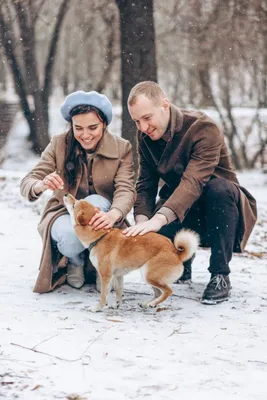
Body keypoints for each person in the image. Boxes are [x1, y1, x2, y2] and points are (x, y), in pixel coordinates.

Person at [123, 81, 257, 305]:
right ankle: (181, 260)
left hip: (220, 210)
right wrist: (142, 220)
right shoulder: (145, 137)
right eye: (137, 121)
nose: (143, 127)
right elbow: (145, 183)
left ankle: (220, 275)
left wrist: (158, 219)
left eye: (147, 118)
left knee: (219, 189)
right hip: (181, 208)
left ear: (165, 105)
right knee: (160, 215)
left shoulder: (203, 128)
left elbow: (193, 182)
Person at [20, 90, 136, 293]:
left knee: (95, 201)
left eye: (93, 127)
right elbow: (29, 181)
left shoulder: (122, 148)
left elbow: (126, 189)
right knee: (69, 237)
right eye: (78, 128)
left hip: (104, 214)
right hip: (64, 213)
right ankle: (75, 260)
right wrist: (41, 185)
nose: (85, 135)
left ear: (104, 125)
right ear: (71, 126)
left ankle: (101, 265)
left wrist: (113, 214)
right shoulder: (59, 144)